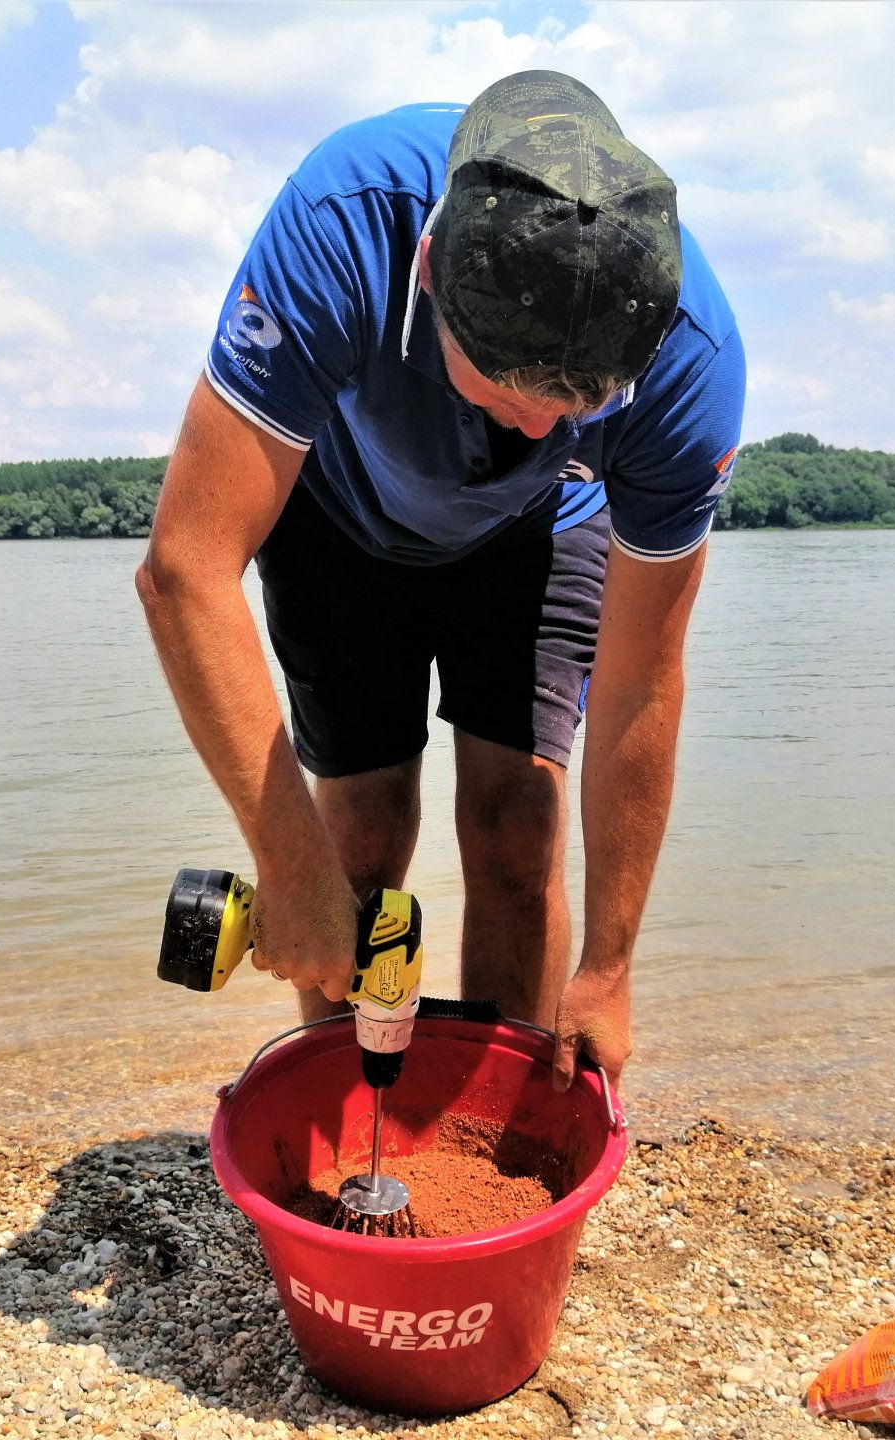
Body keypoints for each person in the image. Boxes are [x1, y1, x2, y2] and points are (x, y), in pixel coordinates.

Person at [136, 71, 744, 1094]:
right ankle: (341, 1118)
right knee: (357, 837)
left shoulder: (690, 356)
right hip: (335, 514)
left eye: (575, 403)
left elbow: (643, 678)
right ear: (426, 268)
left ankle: (496, 1136)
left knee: (516, 829)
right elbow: (186, 570)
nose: (538, 427)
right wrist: (289, 867)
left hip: (546, 527)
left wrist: (610, 966)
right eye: (508, 389)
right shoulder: (347, 221)